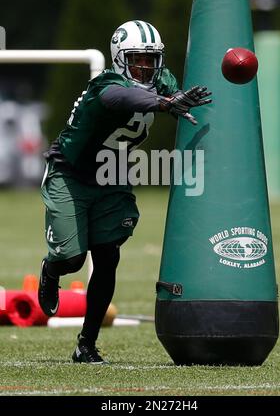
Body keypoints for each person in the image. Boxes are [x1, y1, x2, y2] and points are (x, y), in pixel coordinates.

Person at [38, 20, 212, 364]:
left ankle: (85, 344)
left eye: (151, 60)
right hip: (70, 174)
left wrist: (183, 102)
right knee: (73, 259)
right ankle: (51, 270)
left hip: (111, 174)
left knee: (107, 256)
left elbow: (176, 95)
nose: (146, 67)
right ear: (120, 58)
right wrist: (165, 104)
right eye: (137, 59)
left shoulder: (160, 80)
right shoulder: (107, 84)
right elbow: (121, 97)